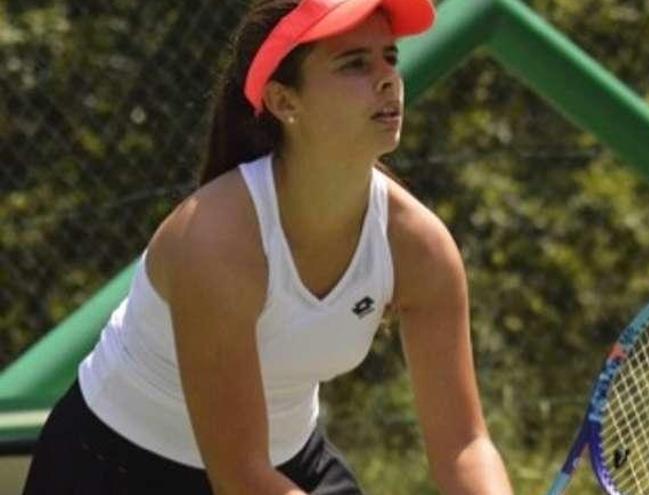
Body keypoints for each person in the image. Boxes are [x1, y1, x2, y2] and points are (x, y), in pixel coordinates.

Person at [22, 0, 514, 493]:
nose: (387, 78)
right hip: (113, 471)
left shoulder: (419, 249)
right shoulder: (215, 241)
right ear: (284, 102)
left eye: (390, 57)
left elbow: (463, 447)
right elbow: (241, 477)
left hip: (287, 465)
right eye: (355, 63)